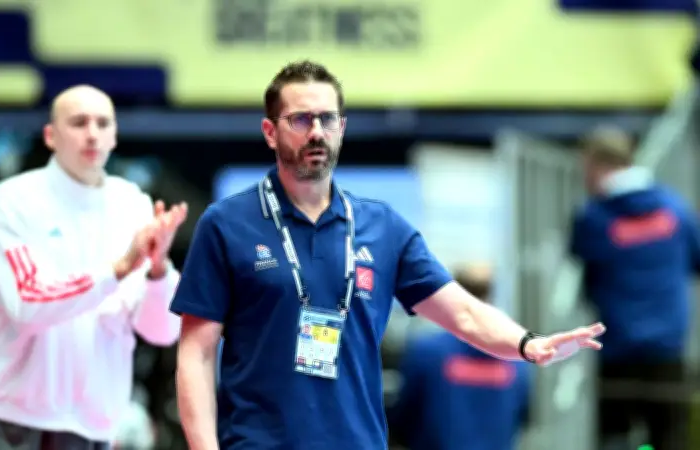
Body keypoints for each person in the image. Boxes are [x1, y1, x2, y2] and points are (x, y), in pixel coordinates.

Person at [170, 60, 606, 450]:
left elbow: (465, 314)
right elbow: (196, 354)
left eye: (327, 118)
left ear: (342, 128)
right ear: (270, 132)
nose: (316, 132)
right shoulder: (227, 224)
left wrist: (529, 343)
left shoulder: (383, 228)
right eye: (300, 119)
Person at [0, 85, 187, 450]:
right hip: (0, 419)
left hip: (89, 427)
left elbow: (162, 331)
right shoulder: (11, 202)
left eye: (103, 123)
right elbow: (28, 303)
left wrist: (158, 270)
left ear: (114, 136)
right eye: (78, 122)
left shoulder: (132, 205)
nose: (92, 133)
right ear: (50, 136)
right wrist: (119, 269)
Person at [570, 126, 700, 450]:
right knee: (670, 438)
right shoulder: (675, 209)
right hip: (668, 348)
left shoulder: (593, 218)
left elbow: (584, 269)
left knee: (616, 439)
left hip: (617, 350)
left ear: (597, 164)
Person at [388, 264, 532, 450]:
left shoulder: (427, 352)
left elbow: (404, 416)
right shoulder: (515, 361)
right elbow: (523, 418)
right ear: (490, 294)